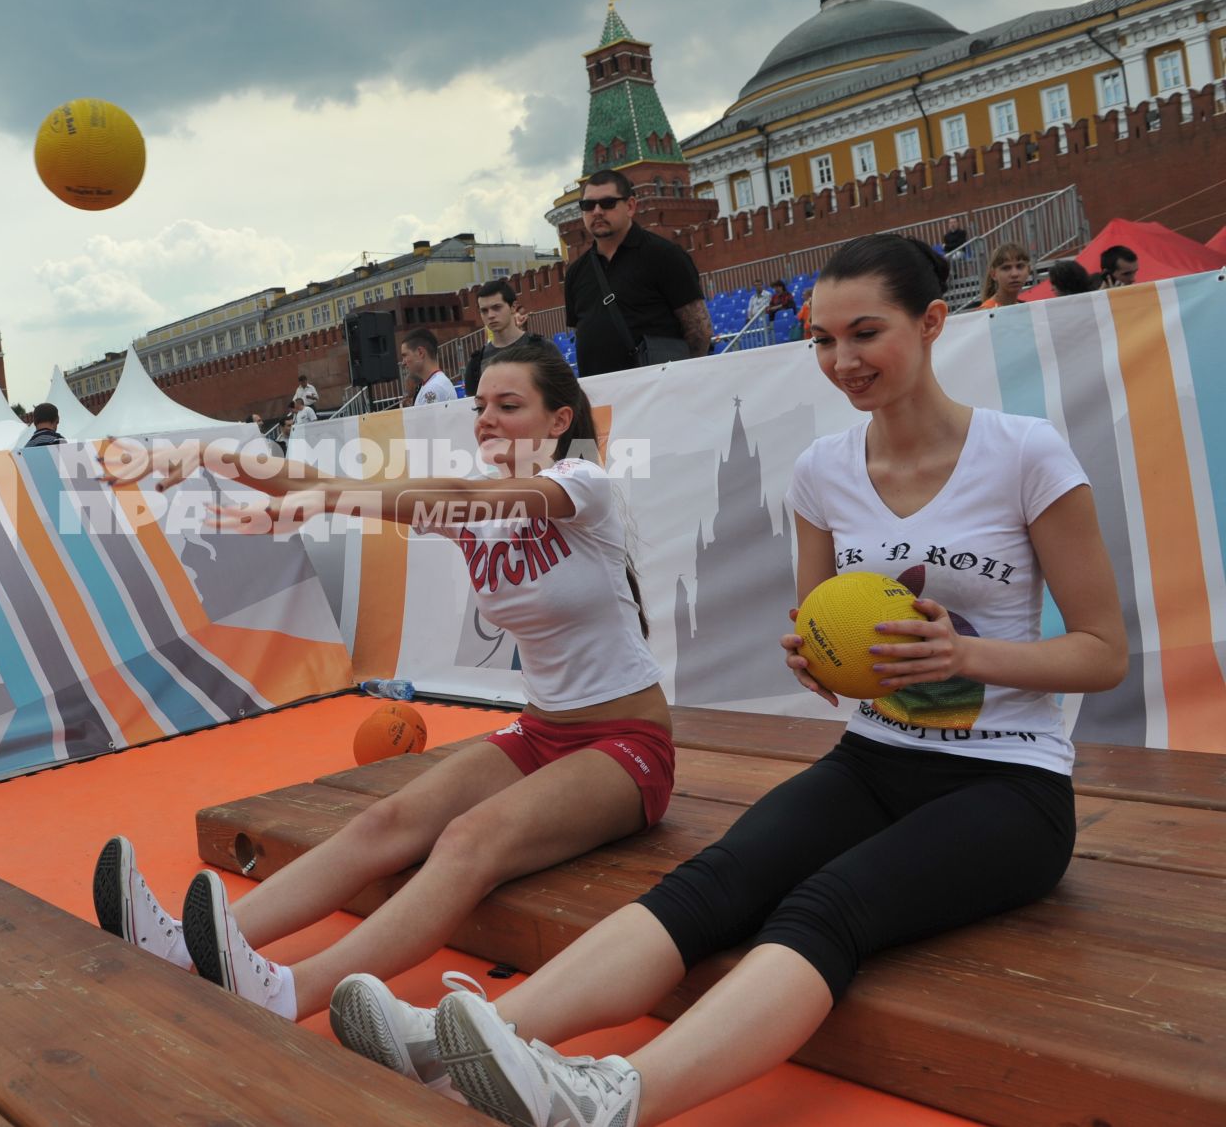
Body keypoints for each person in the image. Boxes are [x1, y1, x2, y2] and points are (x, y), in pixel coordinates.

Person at [365, 233, 1125, 1127]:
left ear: (931, 322)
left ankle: (614, 1096)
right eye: (823, 340)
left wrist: (965, 655)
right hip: (877, 756)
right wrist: (814, 661)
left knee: (827, 905)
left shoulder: (1025, 454)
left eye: (865, 333)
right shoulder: (824, 471)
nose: (841, 360)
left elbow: (1101, 651)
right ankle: (463, 1038)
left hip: (1012, 782)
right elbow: (825, 643)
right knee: (710, 882)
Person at [92, 339, 670, 1068]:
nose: (486, 418)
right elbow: (311, 476)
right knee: (385, 819)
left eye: (509, 405)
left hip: (627, 746)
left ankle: (287, 989)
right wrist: (211, 453)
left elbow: (437, 497)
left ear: (559, 420)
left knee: (468, 841)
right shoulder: (475, 510)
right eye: (481, 405)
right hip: (541, 732)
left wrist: (322, 499)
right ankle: (197, 941)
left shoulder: (580, 480)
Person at [565, 170, 710, 376]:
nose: (596, 211)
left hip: (658, 392)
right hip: (603, 397)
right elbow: (583, 334)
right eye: (588, 205)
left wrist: (680, 379)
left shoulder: (665, 256)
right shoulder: (576, 273)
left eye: (607, 203)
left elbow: (700, 332)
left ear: (631, 206)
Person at [464, 280, 544, 397]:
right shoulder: (475, 364)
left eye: (497, 307)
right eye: (484, 310)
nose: (490, 315)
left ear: (513, 307)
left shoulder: (542, 348)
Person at [401, 329, 458, 406]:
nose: (403, 362)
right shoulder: (432, 384)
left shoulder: (433, 388)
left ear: (420, 352)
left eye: (405, 355)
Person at [978, 243, 1032, 309]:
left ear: (1028, 270)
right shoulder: (985, 312)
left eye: (1019, 266)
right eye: (1006, 268)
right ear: (993, 274)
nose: (1014, 274)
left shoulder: (1026, 308)